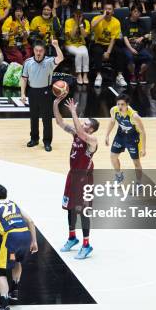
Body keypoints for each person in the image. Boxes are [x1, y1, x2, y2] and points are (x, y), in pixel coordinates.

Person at [53, 95, 99, 259]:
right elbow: (60, 123)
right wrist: (55, 104)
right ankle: (72, 237)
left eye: (86, 123)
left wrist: (73, 111)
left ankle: (87, 245)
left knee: (83, 210)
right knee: (70, 207)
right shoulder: (76, 134)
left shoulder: (92, 140)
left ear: (91, 129)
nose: (82, 124)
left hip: (84, 179)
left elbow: (79, 130)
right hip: (72, 176)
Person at [20, 39, 64, 152]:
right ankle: (34, 139)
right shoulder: (28, 62)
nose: (38, 53)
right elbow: (24, 79)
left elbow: (61, 58)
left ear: (44, 51)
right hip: (33, 92)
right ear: (33, 50)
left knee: (47, 119)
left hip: (46, 92)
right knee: (33, 118)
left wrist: (56, 46)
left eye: (41, 50)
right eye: (36, 50)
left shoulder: (49, 61)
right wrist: (23, 93)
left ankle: (47, 142)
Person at [105, 93, 146, 184]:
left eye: (122, 104)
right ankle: (119, 177)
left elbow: (143, 132)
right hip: (120, 136)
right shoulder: (114, 110)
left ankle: (139, 183)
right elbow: (112, 122)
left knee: (136, 162)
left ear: (127, 104)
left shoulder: (134, 116)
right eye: (118, 104)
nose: (120, 106)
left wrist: (143, 148)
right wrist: (107, 135)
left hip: (133, 139)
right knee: (113, 157)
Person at [89, 2, 124, 87]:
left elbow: (113, 39)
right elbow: (92, 26)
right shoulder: (97, 18)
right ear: (103, 10)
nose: (107, 10)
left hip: (110, 43)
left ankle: (119, 76)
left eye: (109, 9)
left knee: (120, 52)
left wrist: (108, 52)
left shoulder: (116, 22)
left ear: (113, 11)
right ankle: (98, 75)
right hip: (98, 42)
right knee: (98, 51)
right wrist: (102, 17)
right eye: (106, 9)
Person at [122, 5, 154, 85]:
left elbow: (149, 34)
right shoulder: (126, 22)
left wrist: (142, 37)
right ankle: (132, 75)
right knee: (130, 56)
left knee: (149, 57)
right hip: (128, 46)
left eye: (139, 12)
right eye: (135, 11)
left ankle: (140, 74)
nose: (137, 13)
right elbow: (125, 37)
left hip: (139, 47)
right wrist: (131, 49)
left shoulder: (142, 23)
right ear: (131, 12)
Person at [64, 9, 90, 85]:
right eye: (76, 14)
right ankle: (78, 74)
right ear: (74, 14)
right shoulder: (68, 21)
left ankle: (85, 75)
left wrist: (81, 24)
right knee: (79, 53)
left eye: (80, 15)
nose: (78, 16)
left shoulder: (86, 22)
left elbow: (85, 35)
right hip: (70, 44)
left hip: (81, 44)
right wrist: (76, 23)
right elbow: (71, 36)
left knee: (85, 53)